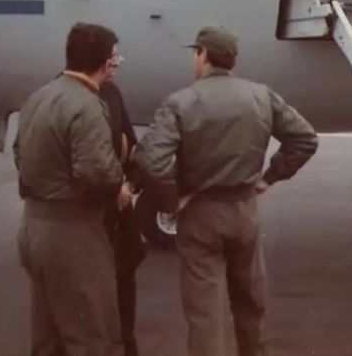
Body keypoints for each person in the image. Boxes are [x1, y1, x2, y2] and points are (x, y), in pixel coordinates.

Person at [135, 25, 319, 356]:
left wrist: (170, 201)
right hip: (244, 211)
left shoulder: (181, 102)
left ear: (202, 55)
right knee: (250, 300)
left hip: (201, 213)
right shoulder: (261, 95)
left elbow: (153, 159)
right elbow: (304, 139)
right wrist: (269, 178)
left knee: (206, 311)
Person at [14, 23, 125, 356]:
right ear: (106, 63)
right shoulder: (87, 104)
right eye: (115, 57)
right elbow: (97, 172)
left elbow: (20, 153)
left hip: (34, 227)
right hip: (73, 234)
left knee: (47, 338)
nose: (116, 63)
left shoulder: (39, 97)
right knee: (92, 337)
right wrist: (121, 183)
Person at [99, 79, 146, 356]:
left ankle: (125, 342)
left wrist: (130, 184)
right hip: (95, 207)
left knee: (125, 269)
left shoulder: (112, 92)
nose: (116, 63)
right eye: (113, 56)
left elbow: (130, 143)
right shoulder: (74, 99)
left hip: (118, 206)